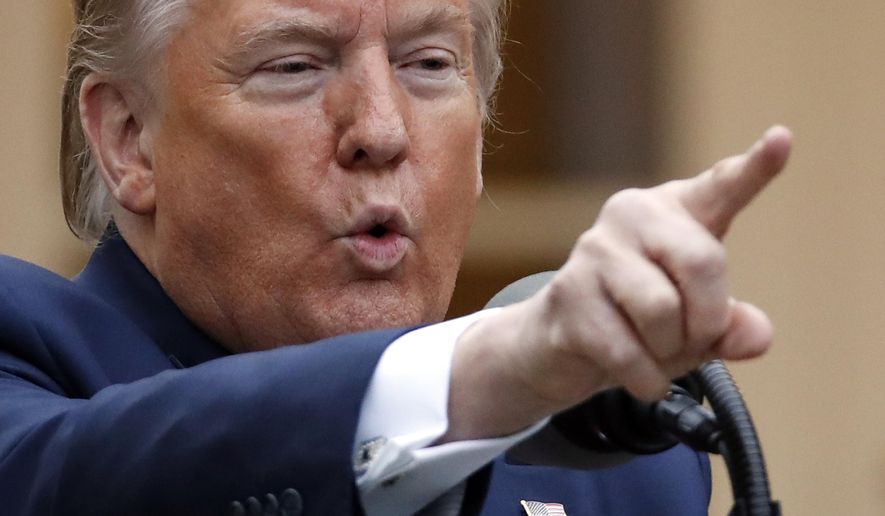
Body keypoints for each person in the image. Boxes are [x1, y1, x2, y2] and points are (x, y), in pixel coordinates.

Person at [0, 0, 792, 514]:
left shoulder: (616, 467)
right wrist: (483, 377)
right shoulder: (26, 361)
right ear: (129, 139)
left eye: (429, 64)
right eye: (294, 66)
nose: (381, 128)